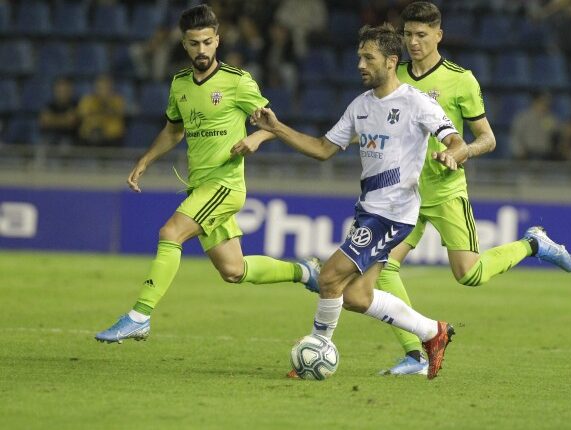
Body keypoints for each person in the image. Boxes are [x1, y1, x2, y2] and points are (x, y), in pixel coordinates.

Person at [250, 23, 466, 380]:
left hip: (393, 213)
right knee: (357, 297)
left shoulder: (416, 102)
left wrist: (452, 155)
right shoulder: (361, 106)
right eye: (359, 58)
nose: (360, 64)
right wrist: (277, 128)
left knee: (330, 277)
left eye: (369, 58)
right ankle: (433, 332)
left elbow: (456, 141)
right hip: (369, 210)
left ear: (391, 61)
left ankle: (317, 350)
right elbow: (322, 149)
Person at [95, 4, 320, 344]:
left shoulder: (237, 82)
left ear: (218, 40)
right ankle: (304, 271)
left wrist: (256, 138)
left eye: (207, 42)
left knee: (170, 233)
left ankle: (139, 315)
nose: (201, 50)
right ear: (184, 44)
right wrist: (145, 160)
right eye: (193, 43)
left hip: (225, 185)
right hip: (200, 186)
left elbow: (273, 126)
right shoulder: (180, 84)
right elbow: (173, 131)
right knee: (234, 270)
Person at [374, 1, 571, 376]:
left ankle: (533, 244)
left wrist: (461, 150)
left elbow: (488, 139)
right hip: (404, 195)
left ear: (439, 36)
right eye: (408, 35)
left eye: (422, 35)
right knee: (381, 266)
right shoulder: (393, 75)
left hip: (446, 192)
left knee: (469, 275)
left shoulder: (460, 79)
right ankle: (415, 355)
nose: (414, 42)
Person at [510, 91, 559, 160]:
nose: (545, 104)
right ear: (535, 101)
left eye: (547, 102)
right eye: (542, 101)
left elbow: (557, 136)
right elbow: (516, 137)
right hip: (527, 156)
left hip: (546, 156)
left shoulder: (551, 119)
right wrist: (519, 153)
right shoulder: (523, 118)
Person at [38, 77, 79, 147]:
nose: (63, 91)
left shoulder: (76, 105)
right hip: (51, 137)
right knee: (42, 145)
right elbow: (44, 122)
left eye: (66, 89)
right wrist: (64, 120)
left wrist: (52, 120)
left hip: (71, 140)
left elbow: (71, 122)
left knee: (65, 144)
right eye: (60, 89)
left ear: (71, 90)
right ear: (55, 90)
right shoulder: (49, 106)